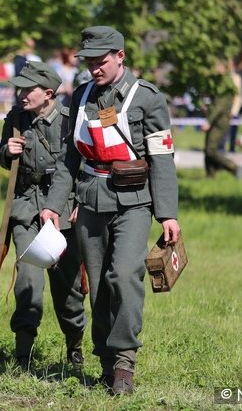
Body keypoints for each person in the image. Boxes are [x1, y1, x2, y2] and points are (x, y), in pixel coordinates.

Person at [39, 26, 180, 395]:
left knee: (125, 274)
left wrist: (167, 214)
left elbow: (162, 158)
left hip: (134, 201)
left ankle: (124, 362)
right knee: (99, 284)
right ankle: (105, 360)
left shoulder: (146, 98)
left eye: (100, 61)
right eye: (88, 62)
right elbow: (70, 158)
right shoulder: (81, 96)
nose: (94, 69)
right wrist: (55, 205)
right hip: (90, 199)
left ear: (120, 56)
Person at [0, 61, 87, 371]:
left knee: (68, 291)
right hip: (26, 209)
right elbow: (3, 157)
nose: (21, 94)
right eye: (19, 88)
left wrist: (80, 203)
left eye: (28, 89)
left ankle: (75, 344)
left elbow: (86, 166)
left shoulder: (70, 121)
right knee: (28, 284)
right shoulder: (16, 119)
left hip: (63, 214)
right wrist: (7, 151)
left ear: (48, 93)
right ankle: (23, 355)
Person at [203, 60, 242, 179]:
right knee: (207, 149)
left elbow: (219, 106)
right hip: (216, 119)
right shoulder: (218, 81)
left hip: (220, 121)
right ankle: (210, 175)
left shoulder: (226, 83)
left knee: (211, 150)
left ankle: (234, 168)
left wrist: (208, 121)